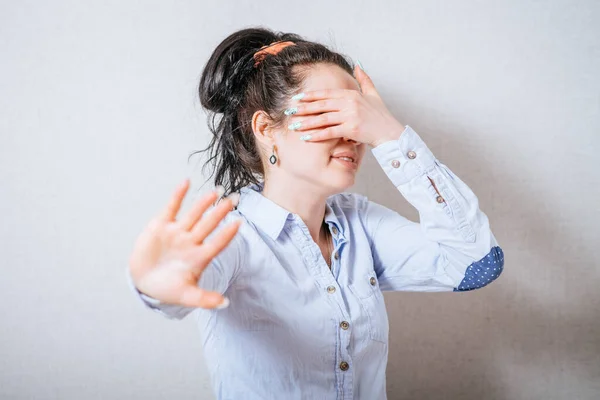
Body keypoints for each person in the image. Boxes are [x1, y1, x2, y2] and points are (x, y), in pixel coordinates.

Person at [126, 27, 504, 400]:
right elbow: (179, 284)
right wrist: (159, 283)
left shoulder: (362, 225)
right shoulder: (233, 235)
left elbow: (477, 262)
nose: (353, 136)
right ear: (266, 129)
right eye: (328, 114)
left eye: (358, 118)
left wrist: (390, 134)